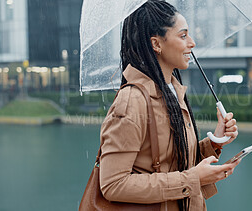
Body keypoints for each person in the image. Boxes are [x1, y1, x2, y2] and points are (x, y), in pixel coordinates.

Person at [99, 0, 239, 210]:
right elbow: (113, 184)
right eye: (183, 36)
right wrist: (192, 179)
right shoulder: (132, 100)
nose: (192, 43)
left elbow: (173, 161)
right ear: (156, 44)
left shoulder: (172, 91)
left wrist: (215, 142)